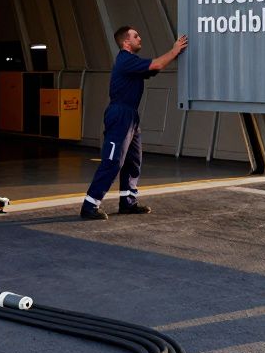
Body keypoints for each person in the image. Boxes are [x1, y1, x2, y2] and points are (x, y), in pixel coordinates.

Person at [80, 27, 188, 220]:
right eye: (135, 36)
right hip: (120, 114)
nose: (140, 38)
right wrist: (174, 50)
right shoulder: (125, 60)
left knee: (133, 160)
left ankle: (128, 202)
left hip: (130, 116)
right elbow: (156, 65)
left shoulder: (133, 62)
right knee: (113, 162)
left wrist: (173, 55)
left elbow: (155, 67)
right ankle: (90, 205)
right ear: (125, 42)